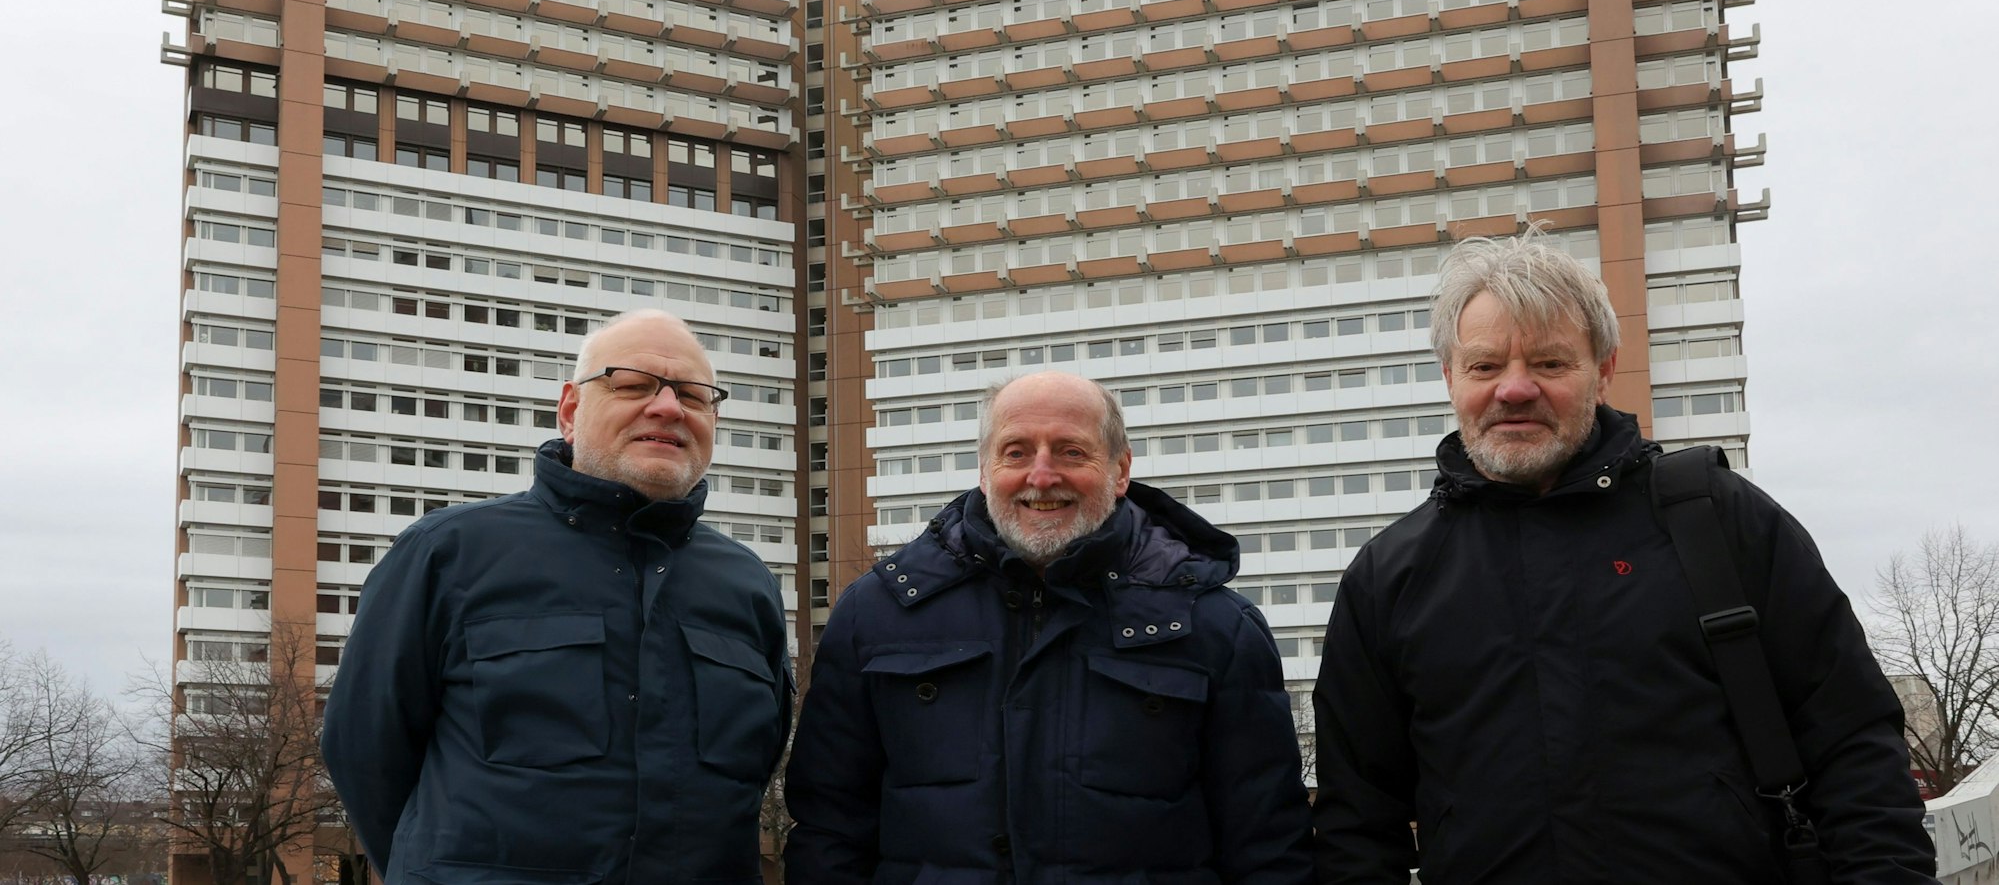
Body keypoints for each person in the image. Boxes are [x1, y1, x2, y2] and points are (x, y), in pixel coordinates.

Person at [1311, 230, 1936, 883]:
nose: (1514, 389)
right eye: (1485, 366)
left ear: (1603, 370)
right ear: (1450, 377)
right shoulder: (1390, 577)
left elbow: (1852, 746)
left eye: (1549, 364)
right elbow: (1356, 823)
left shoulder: (1717, 521)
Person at [784, 370, 1314, 885]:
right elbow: (829, 833)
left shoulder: (1216, 626)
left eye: (1071, 451)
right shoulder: (877, 614)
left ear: (1121, 470)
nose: (1042, 476)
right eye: (1016, 452)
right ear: (985, 469)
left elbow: (1268, 846)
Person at [322, 309, 790, 884]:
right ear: (570, 410)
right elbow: (364, 752)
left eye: (694, 396)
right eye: (634, 385)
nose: (668, 407)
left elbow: (757, 769)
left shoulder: (748, 586)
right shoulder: (446, 554)